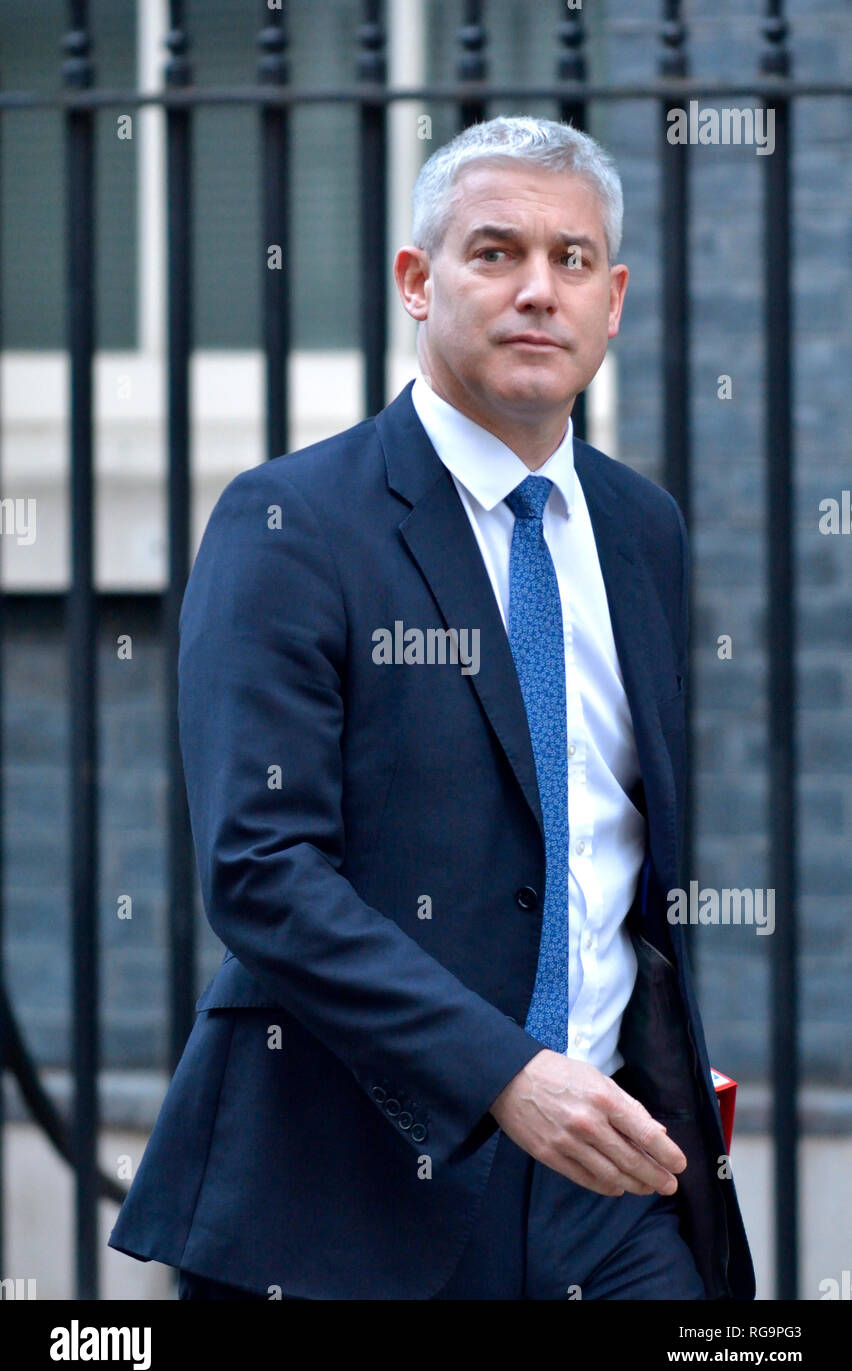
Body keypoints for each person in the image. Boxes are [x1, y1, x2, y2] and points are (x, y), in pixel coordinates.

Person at [108, 114, 755, 1301]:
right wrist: (503, 1071)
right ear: (417, 280)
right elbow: (261, 868)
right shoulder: (290, 524)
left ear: (613, 300)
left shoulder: (641, 530)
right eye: (495, 252)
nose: (537, 292)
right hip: (359, 1198)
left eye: (571, 262)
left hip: (607, 1201)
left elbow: (617, 849)